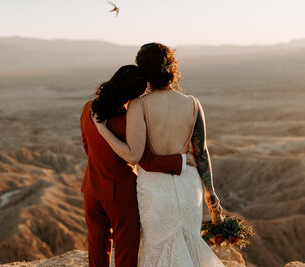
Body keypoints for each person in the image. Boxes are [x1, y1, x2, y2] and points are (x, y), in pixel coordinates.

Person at [93, 44, 224, 266]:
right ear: (172, 68)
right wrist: (211, 194)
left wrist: (103, 130)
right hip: (189, 190)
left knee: (159, 250)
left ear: (144, 73)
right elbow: (201, 153)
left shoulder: (139, 105)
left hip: (155, 192)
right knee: (189, 247)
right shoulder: (193, 104)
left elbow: (133, 155)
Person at [80, 65, 196, 267]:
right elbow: (145, 160)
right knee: (126, 253)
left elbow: (87, 147)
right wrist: (184, 160)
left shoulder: (89, 108)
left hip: (91, 190)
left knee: (96, 251)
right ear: (134, 95)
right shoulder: (126, 121)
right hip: (120, 197)